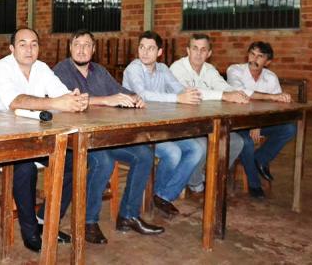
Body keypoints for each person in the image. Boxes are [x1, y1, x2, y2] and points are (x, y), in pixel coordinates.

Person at [53, 30, 164, 244]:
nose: (82, 49)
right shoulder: (61, 70)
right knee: (103, 162)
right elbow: (69, 99)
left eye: (87, 45)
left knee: (144, 155)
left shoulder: (100, 71)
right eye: (78, 44)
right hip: (74, 139)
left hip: (102, 137)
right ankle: (88, 222)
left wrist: (135, 98)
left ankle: (128, 216)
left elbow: (120, 92)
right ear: (70, 48)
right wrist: (107, 100)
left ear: (94, 50)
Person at [0, 28, 88, 252]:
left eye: (33, 44)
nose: (29, 49)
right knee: (26, 169)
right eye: (22, 44)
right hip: (2, 143)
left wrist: (75, 100)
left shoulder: (42, 68)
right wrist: (56, 103)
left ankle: (46, 220)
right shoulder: (0, 69)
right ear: (12, 48)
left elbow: (62, 94)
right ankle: (30, 230)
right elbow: (16, 101)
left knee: (77, 160)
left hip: (36, 141)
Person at [123, 30, 204, 217]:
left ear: (159, 52)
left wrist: (189, 94)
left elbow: (179, 89)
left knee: (196, 149)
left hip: (161, 128)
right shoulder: (133, 69)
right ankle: (157, 195)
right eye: (142, 47)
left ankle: (163, 195)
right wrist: (178, 98)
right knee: (173, 153)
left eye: (151, 48)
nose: (145, 52)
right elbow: (144, 95)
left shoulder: (163, 69)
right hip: (138, 129)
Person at [169, 33, 247, 195]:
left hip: (206, 123)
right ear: (188, 51)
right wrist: (225, 96)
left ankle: (212, 177)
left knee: (237, 142)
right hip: (181, 125)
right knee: (203, 145)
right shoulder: (177, 68)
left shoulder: (209, 69)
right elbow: (192, 93)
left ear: (209, 53)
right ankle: (195, 181)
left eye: (203, 50)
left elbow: (224, 87)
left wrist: (237, 94)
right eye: (195, 48)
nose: (198, 53)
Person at [227, 41, 296, 198]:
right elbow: (242, 93)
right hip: (235, 124)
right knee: (247, 142)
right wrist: (255, 120)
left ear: (268, 62)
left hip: (259, 122)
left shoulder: (271, 78)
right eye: (252, 54)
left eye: (260, 56)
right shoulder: (235, 70)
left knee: (289, 128)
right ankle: (254, 184)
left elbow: (276, 107)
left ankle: (261, 158)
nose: (254, 59)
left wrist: (259, 122)